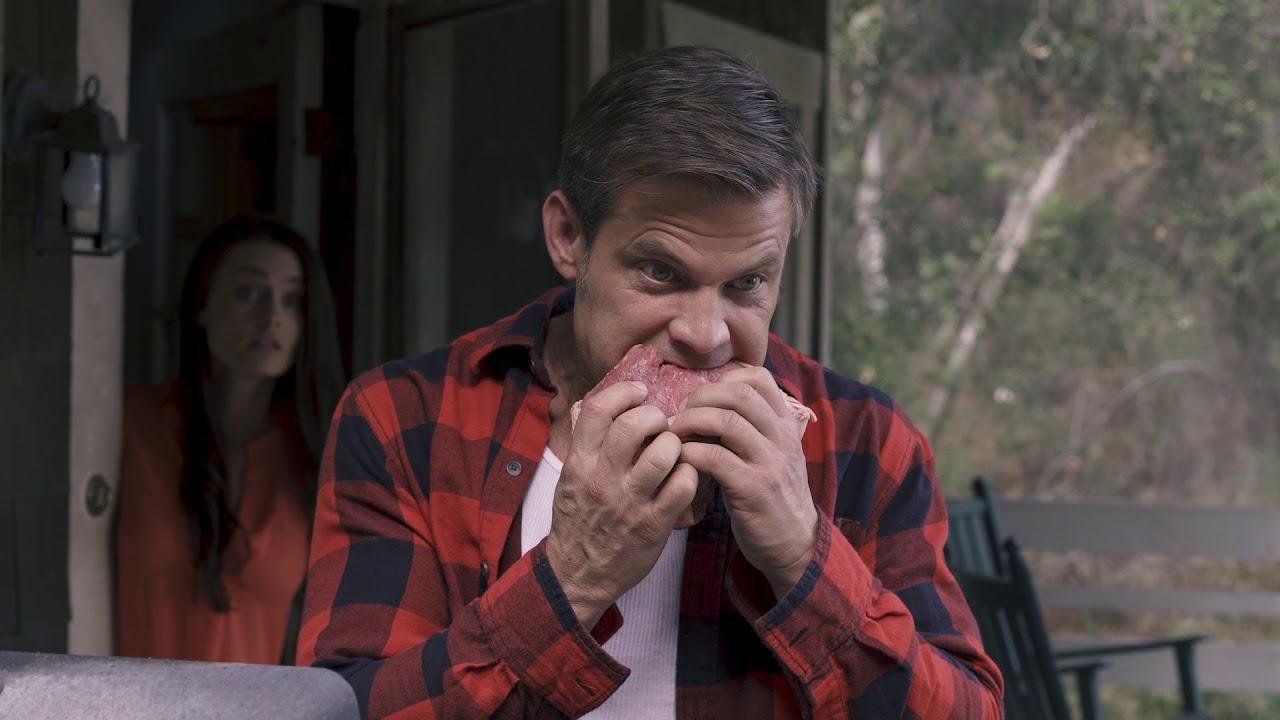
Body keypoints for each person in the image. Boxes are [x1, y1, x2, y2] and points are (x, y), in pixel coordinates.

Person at [298, 47, 1003, 718]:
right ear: (569, 237)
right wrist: (573, 578)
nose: (706, 333)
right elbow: (348, 709)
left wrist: (802, 556)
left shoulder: (868, 440)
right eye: (661, 272)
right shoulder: (401, 420)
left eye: (748, 283)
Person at [116, 214, 345, 664]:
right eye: (248, 292)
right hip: (127, 696)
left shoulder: (316, 458)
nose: (271, 316)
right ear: (202, 304)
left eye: (292, 300)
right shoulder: (131, 425)